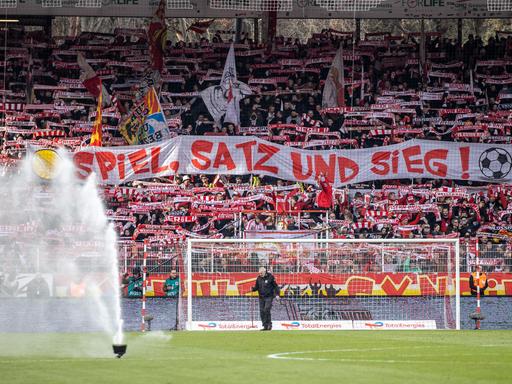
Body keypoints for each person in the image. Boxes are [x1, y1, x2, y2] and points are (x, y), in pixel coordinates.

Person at [251, 266, 280, 331]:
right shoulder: (258, 278)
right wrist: (253, 289)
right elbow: (256, 287)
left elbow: (275, 286)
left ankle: (269, 324)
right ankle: (265, 326)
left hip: (269, 296)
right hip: (261, 297)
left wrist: (277, 294)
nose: (260, 274)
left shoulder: (270, 277)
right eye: (259, 273)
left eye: (261, 273)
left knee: (266, 309)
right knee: (262, 311)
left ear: (264, 272)